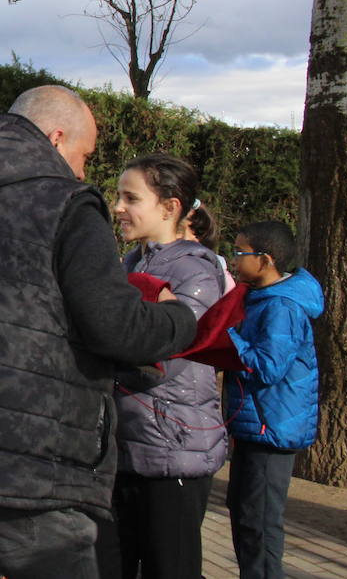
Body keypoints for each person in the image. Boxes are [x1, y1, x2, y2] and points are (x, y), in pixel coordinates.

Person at [0, 85, 198, 579]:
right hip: (28, 470)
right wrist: (178, 318)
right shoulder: (66, 204)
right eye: (85, 156)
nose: (86, 171)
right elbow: (115, 328)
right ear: (57, 136)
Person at [106, 154, 227, 579]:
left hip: (173, 448)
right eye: (119, 196)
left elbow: (166, 356)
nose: (118, 207)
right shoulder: (133, 262)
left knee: (169, 566)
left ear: (170, 206)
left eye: (130, 198)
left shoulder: (193, 268)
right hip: (129, 443)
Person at [224, 221, 324, 579]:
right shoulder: (259, 298)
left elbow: (269, 367)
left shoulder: (282, 306)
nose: (234, 260)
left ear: (265, 260)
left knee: (260, 524)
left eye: (240, 253)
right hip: (255, 426)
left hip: (272, 429)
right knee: (244, 513)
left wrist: (226, 336)